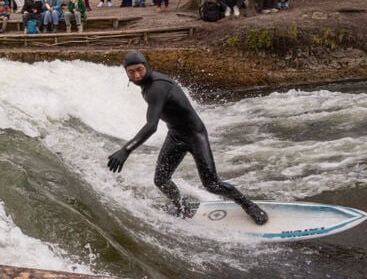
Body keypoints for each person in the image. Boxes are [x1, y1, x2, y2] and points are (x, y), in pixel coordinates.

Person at [107, 51, 268, 225]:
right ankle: (183, 208)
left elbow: (151, 126)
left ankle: (249, 205)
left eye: (139, 69)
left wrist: (126, 149)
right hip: (176, 135)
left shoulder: (156, 87)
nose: (137, 75)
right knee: (161, 180)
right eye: (131, 72)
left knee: (212, 184)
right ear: (126, 73)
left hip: (194, 135)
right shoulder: (146, 86)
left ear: (147, 66)